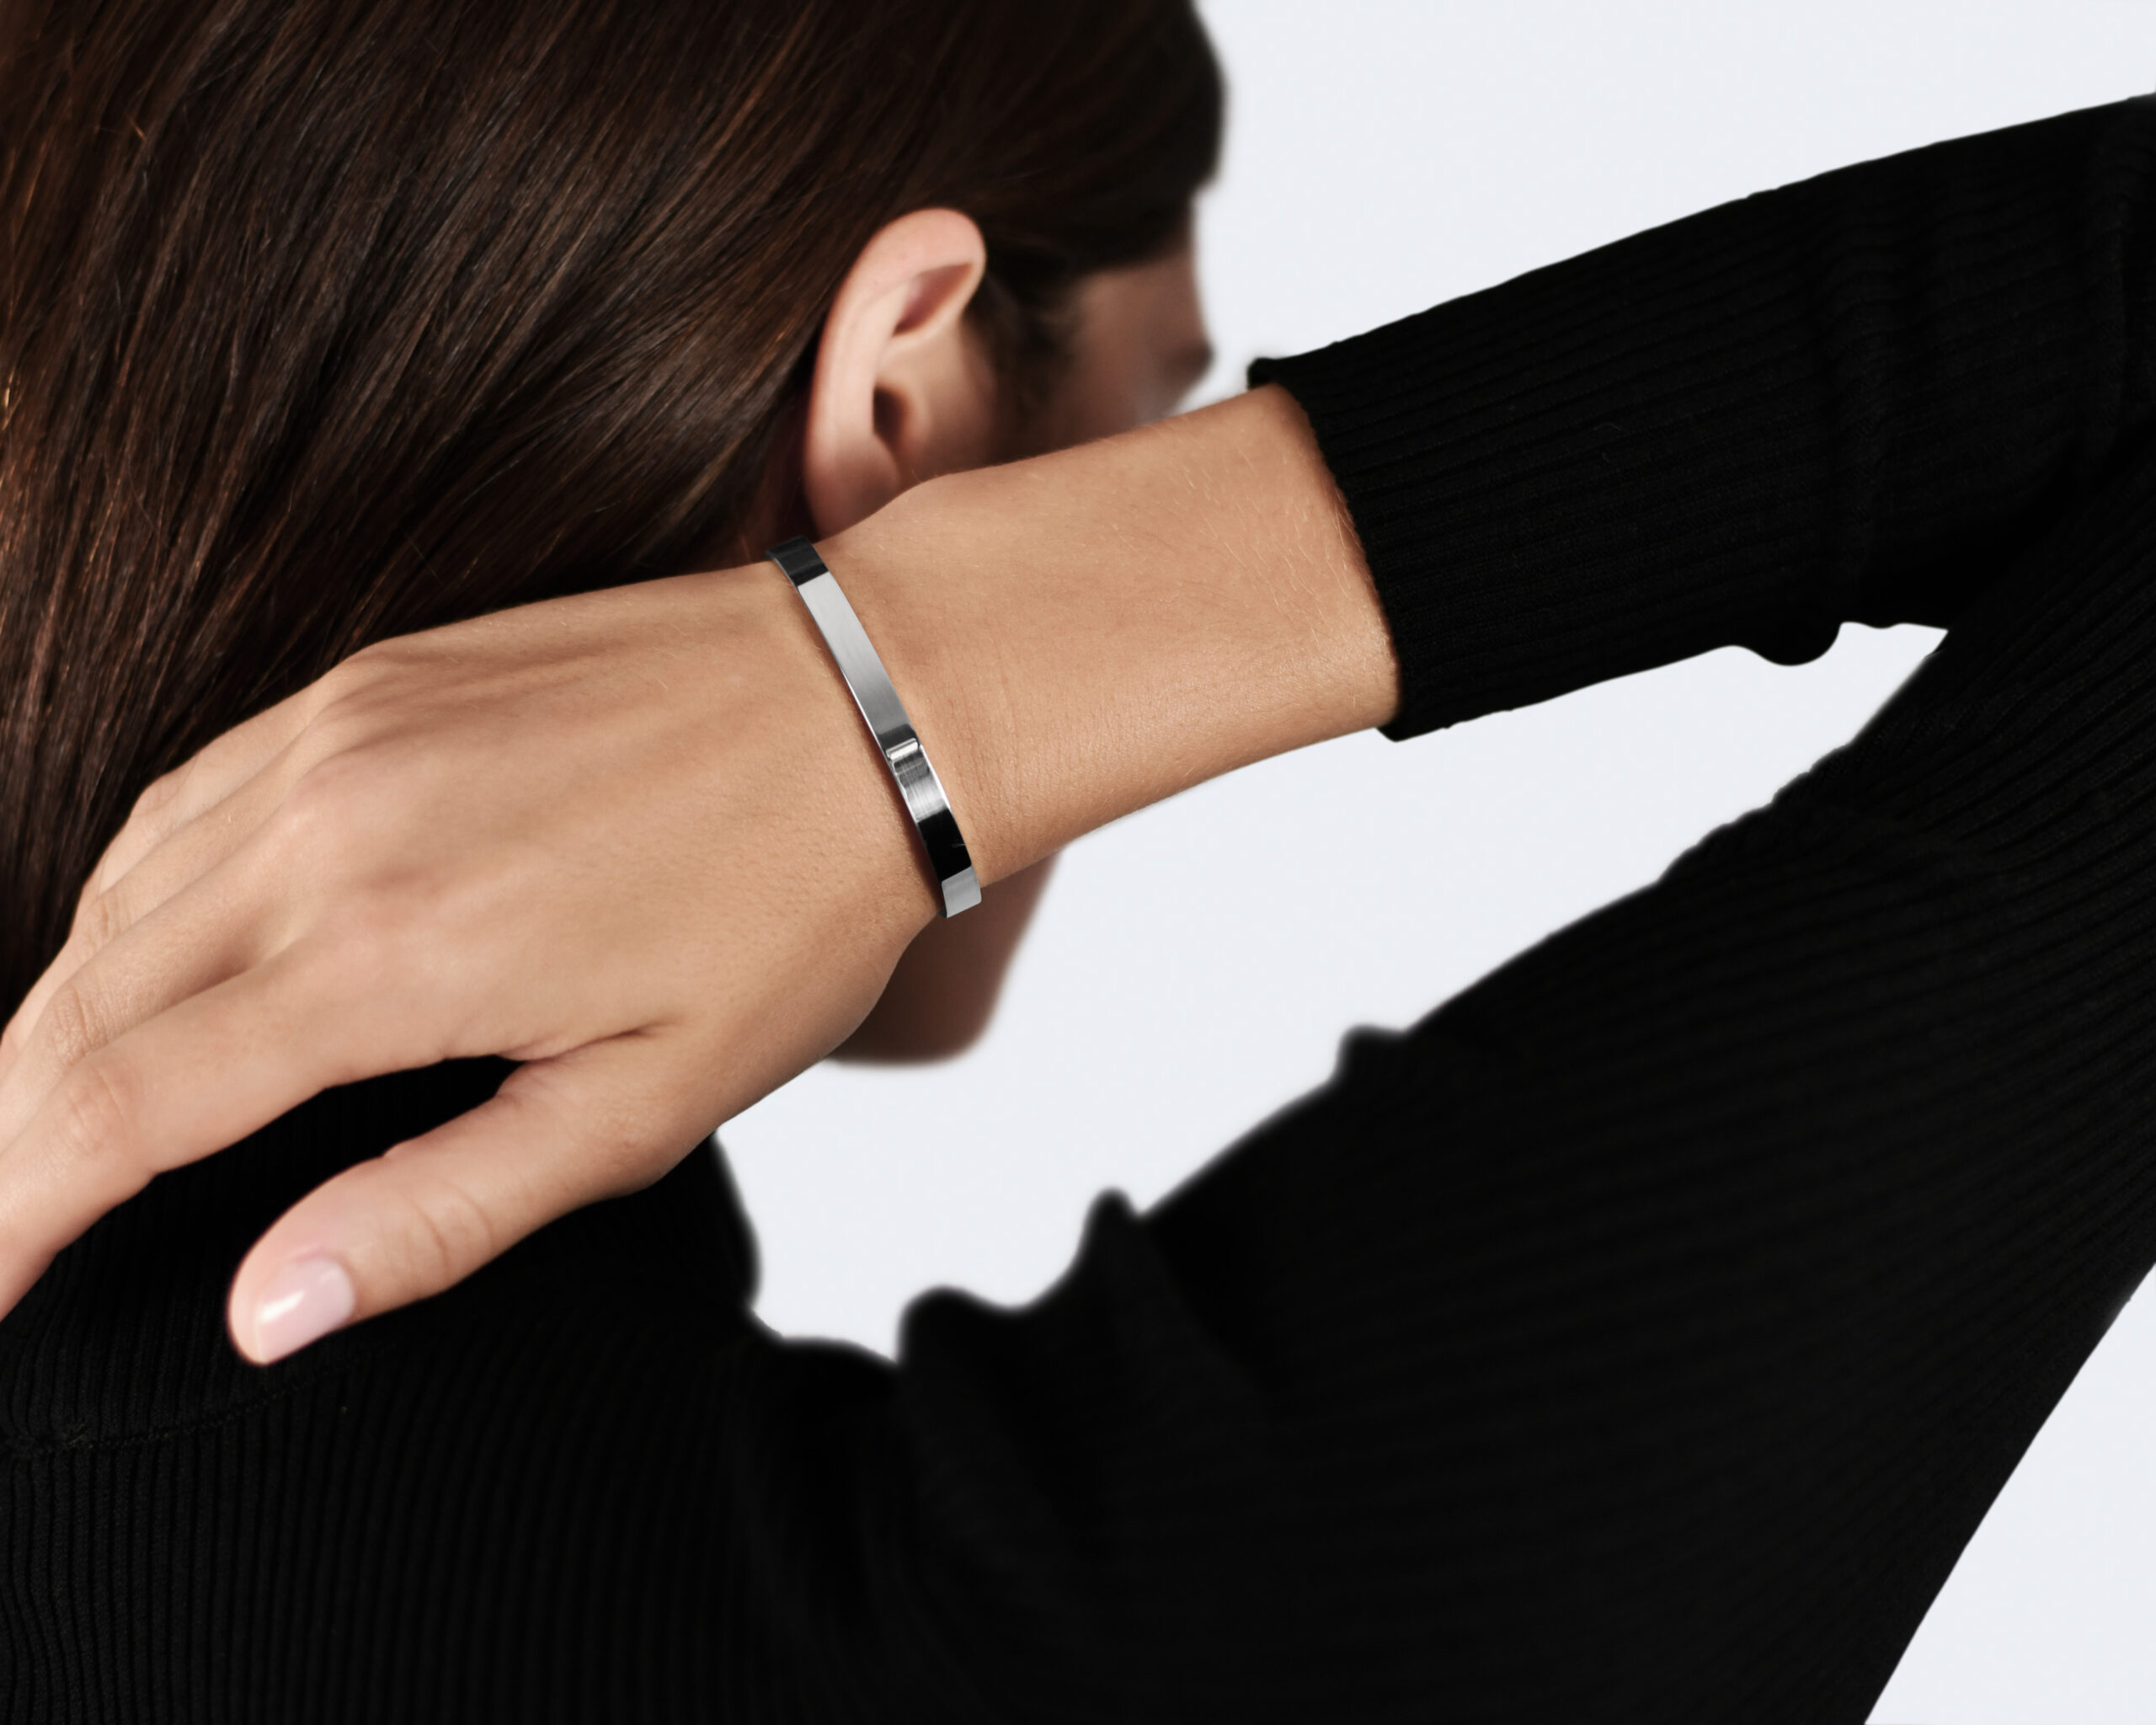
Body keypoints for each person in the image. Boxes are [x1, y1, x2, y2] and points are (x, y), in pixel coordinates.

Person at [6, 10, 2156, 1725]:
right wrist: (910, 675)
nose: (1133, 466)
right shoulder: (1066, 1642)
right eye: (1149, 408)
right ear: (904, 394)